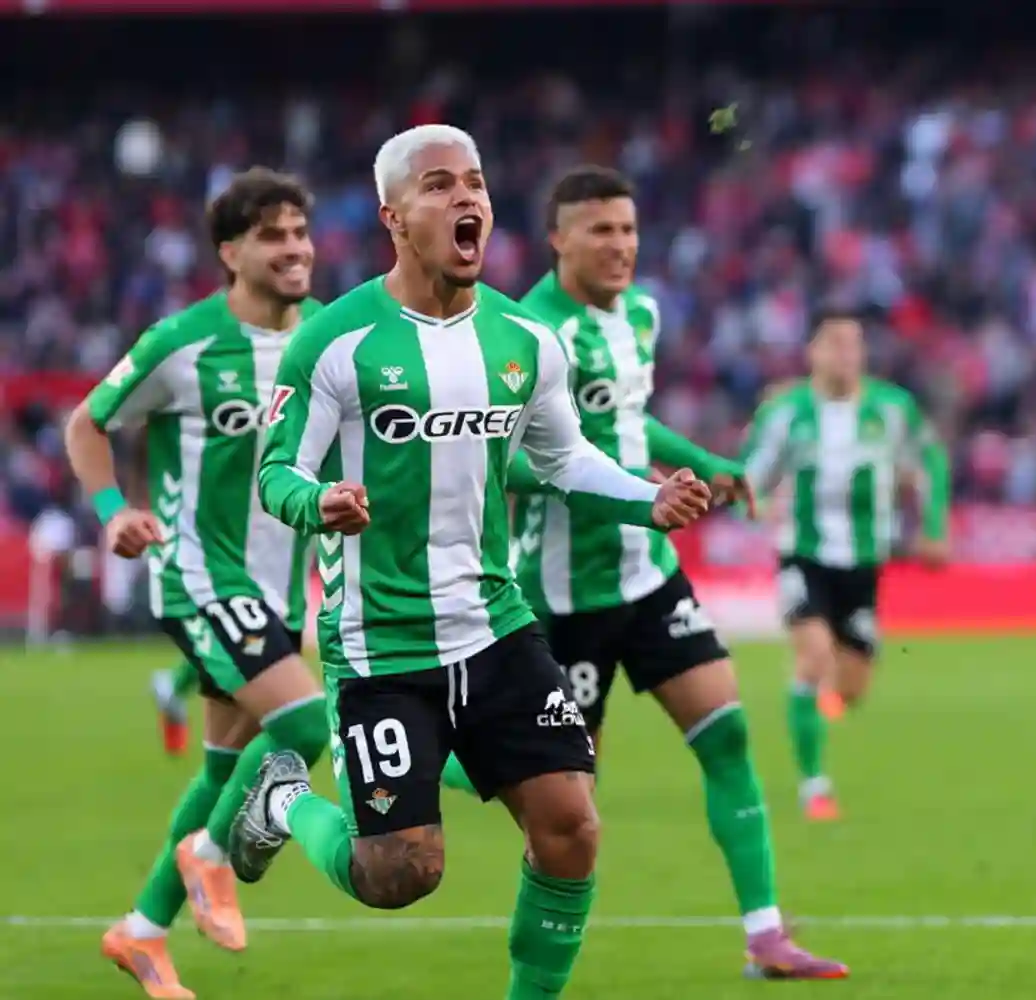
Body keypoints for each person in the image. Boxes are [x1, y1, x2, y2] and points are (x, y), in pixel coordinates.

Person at [230, 125, 713, 1000]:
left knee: (571, 827)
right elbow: (275, 473)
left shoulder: (527, 341)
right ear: (394, 217)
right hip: (383, 647)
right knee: (399, 874)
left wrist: (649, 496)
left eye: (477, 184)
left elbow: (565, 460)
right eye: (440, 185)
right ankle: (285, 799)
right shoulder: (335, 344)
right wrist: (319, 502)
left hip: (497, 626)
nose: (467, 200)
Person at [461, 163, 845, 979]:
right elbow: (502, 463)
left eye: (629, 229)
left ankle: (767, 935)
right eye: (601, 230)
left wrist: (706, 460)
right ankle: (430, 756)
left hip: (649, 576)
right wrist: (634, 494)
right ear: (558, 238)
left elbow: (630, 423)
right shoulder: (526, 334)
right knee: (561, 802)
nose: (620, 245)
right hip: (566, 598)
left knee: (728, 733)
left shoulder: (640, 314)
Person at [68, 169, 332, 999]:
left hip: (282, 590)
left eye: (300, 233)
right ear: (230, 253)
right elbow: (88, 423)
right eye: (272, 236)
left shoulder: (325, 335)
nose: (293, 249)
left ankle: (141, 933)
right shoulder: (179, 344)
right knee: (304, 719)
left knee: (224, 773)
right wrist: (114, 511)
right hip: (200, 577)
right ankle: (211, 855)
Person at [741, 312, 950, 821]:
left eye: (854, 344)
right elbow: (747, 472)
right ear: (811, 351)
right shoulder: (787, 411)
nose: (846, 354)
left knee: (852, 687)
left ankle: (817, 706)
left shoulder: (891, 408)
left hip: (862, 563)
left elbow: (932, 462)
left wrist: (935, 527)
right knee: (812, 658)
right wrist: (752, 503)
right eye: (834, 343)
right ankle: (815, 784)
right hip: (804, 554)